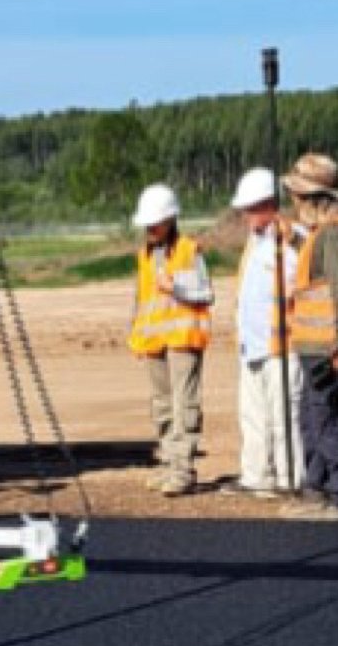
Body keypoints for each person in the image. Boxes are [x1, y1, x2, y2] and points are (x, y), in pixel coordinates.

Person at [279, 154, 338, 520]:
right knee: (312, 417)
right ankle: (315, 490)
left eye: (296, 195)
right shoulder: (328, 231)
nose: (292, 201)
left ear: (313, 197)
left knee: (329, 419)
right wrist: (294, 241)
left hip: (329, 346)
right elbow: (318, 271)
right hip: (317, 345)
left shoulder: (335, 232)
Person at [127, 184, 214, 497]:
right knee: (162, 405)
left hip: (183, 340)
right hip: (155, 342)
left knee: (183, 405)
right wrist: (135, 335)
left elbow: (206, 293)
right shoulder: (145, 255)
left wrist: (176, 287)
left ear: (170, 219)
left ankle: (182, 469)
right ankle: (168, 462)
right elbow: (141, 299)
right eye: (148, 224)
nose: (150, 229)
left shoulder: (189, 251)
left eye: (155, 223)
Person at [222, 168, 304, 499]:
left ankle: (290, 479)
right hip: (252, 346)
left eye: (251, 208)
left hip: (283, 346)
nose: (245, 215)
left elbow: (309, 278)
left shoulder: (293, 239)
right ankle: (257, 476)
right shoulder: (253, 244)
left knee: (285, 416)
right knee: (253, 416)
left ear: (269, 204)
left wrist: (294, 239)